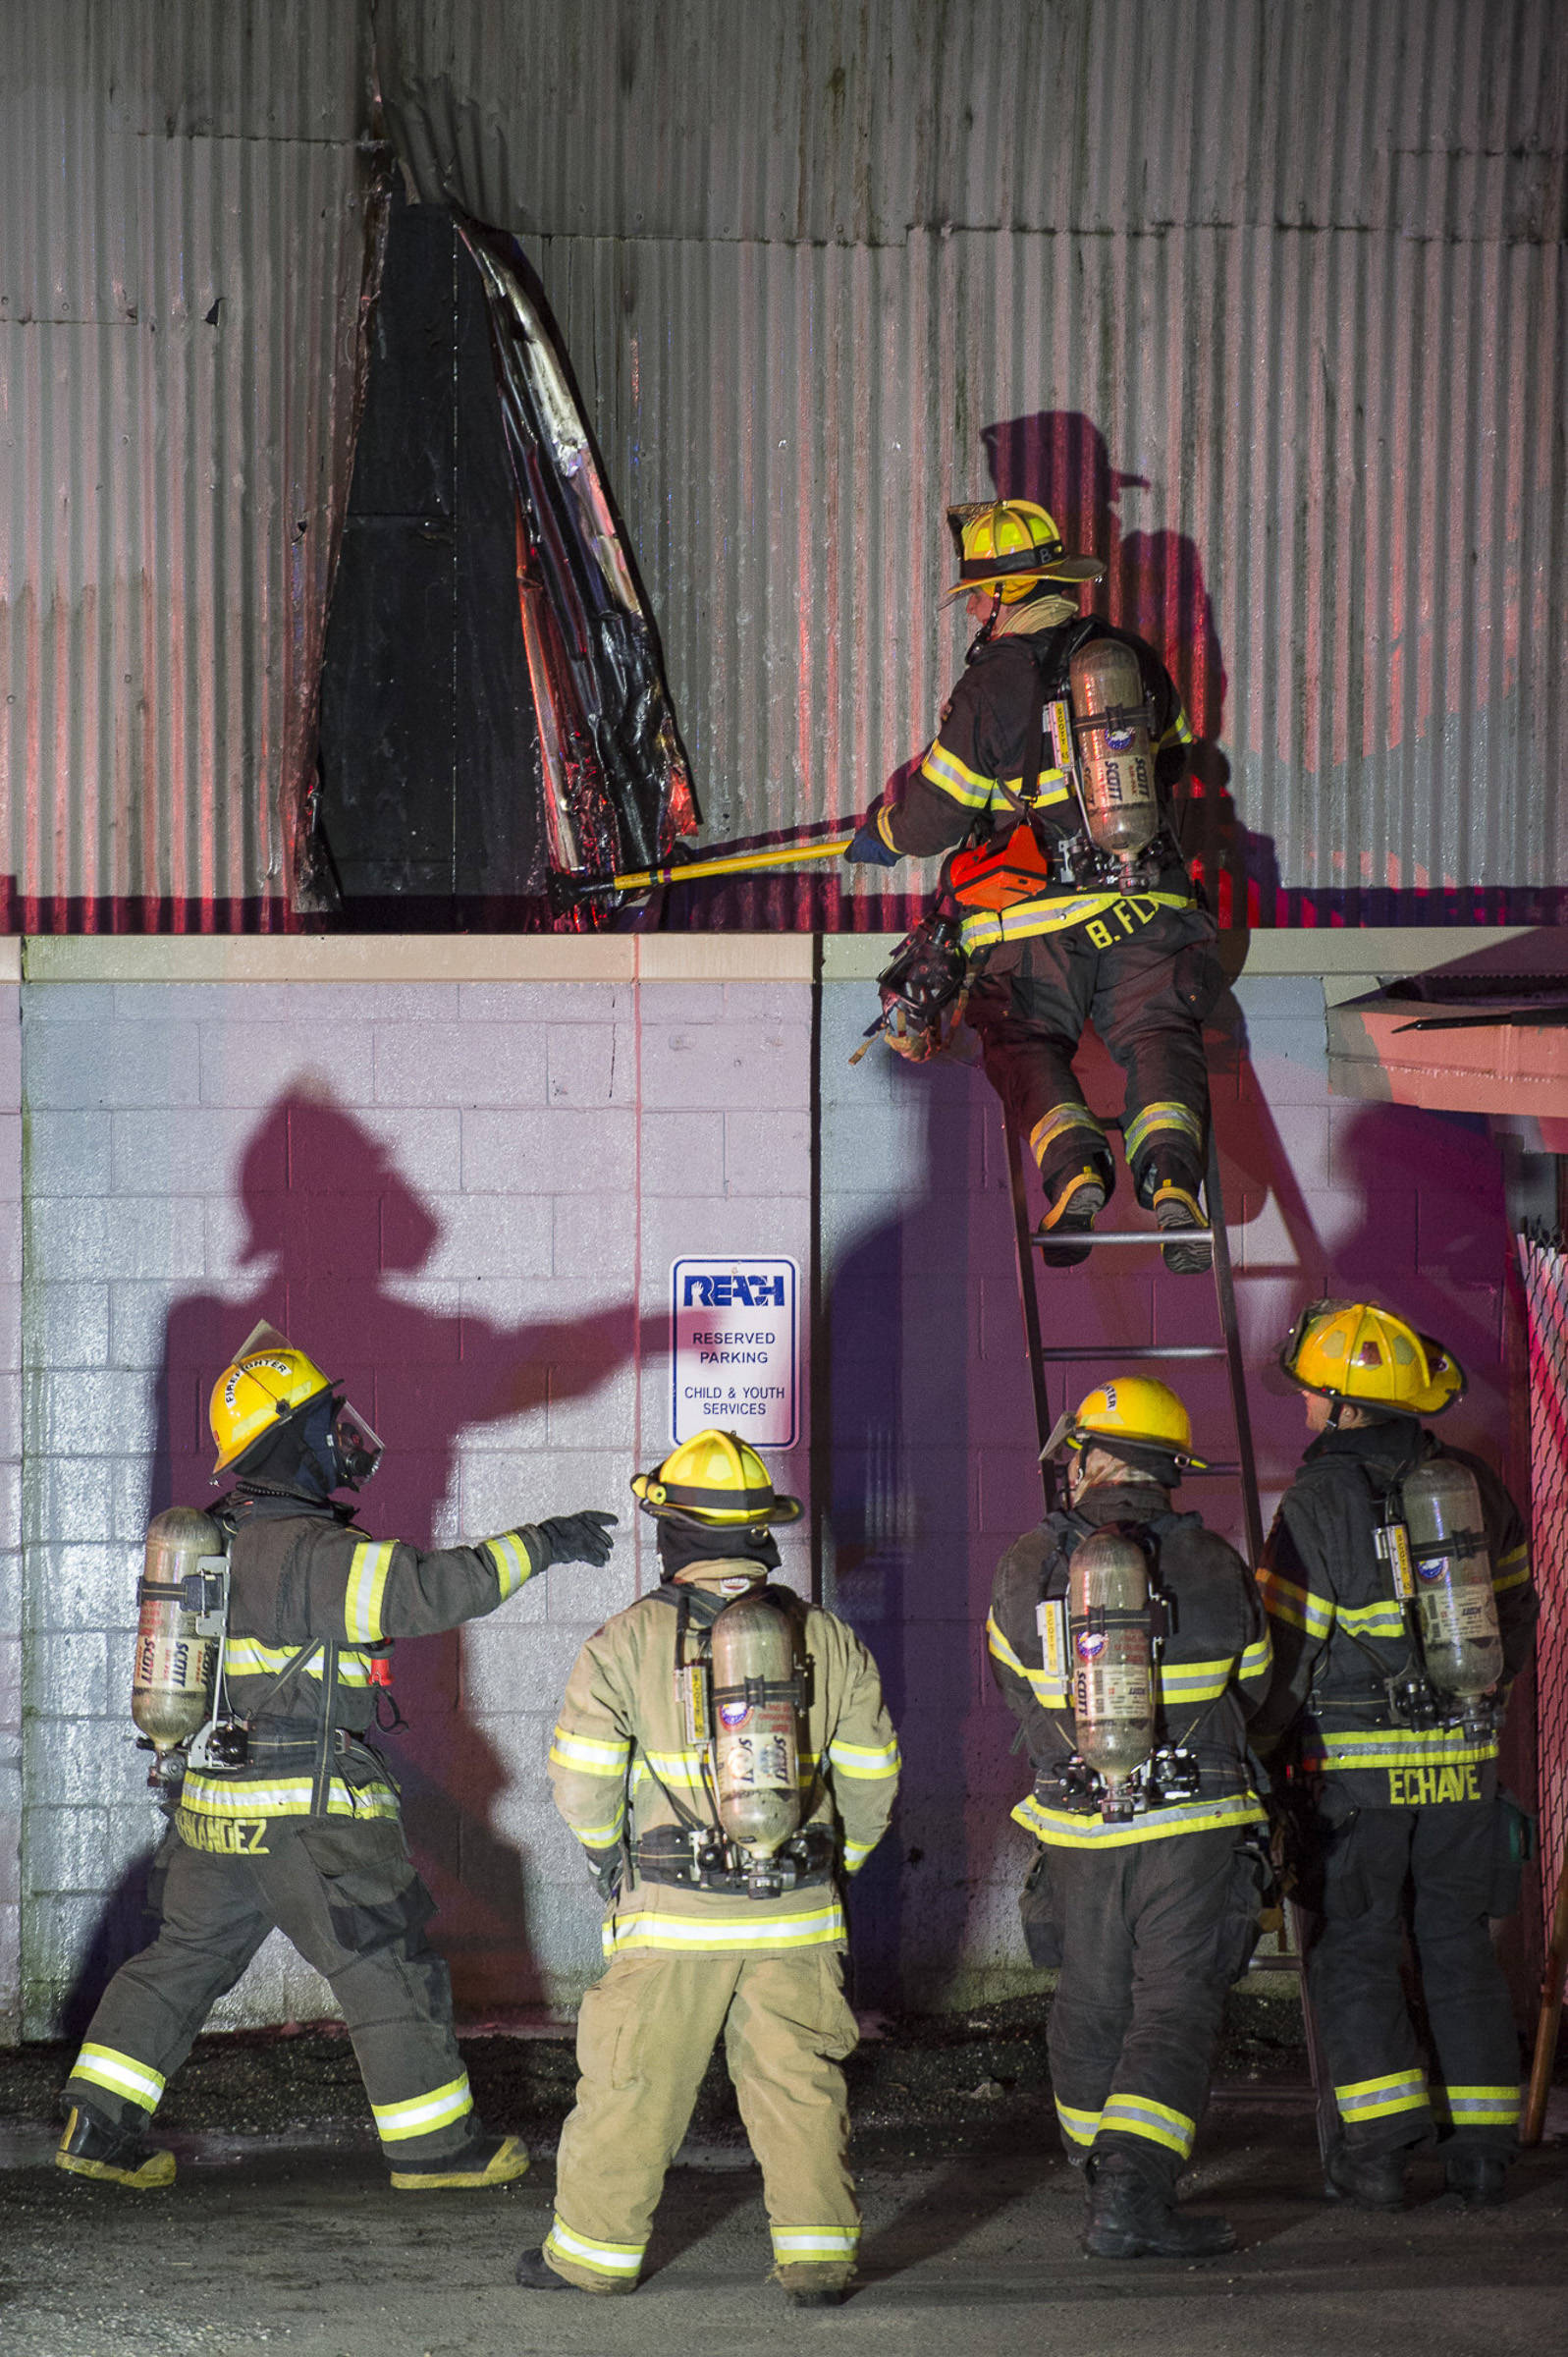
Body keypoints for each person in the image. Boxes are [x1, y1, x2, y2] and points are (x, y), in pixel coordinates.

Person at [56, 1322, 617, 2192]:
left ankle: (95, 2127)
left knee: (180, 1962)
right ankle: (434, 2150)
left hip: (216, 1811)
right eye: (326, 1421)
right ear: (291, 1438)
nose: (341, 1436)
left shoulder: (220, 1537)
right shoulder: (311, 1552)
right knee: (383, 1962)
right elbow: (432, 1590)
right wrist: (546, 1540)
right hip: (305, 1815)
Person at [514, 1429, 899, 2307]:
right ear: (762, 1531)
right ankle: (817, 2262)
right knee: (800, 2087)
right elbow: (873, 1776)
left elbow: (581, 1782)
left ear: (671, 1531)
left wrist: (608, 1861)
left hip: (671, 1916)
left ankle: (592, 2259)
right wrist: (835, 1868)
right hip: (796, 1912)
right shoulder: (826, 1637)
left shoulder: (625, 1641)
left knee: (632, 2085)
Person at [846, 497, 1220, 1272]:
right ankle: (1171, 1178)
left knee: (1021, 1037)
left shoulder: (993, 683)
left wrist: (880, 834)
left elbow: (932, 819)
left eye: (977, 595)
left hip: (1037, 922)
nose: (973, 611)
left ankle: (1076, 1167)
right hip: (1147, 902)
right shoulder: (1129, 659)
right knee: (1158, 1035)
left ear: (1006, 594)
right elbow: (1176, 761)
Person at [1257, 1300, 1538, 2210]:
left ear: (1347, 1406)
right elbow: (1517, 1610)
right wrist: (1475, 1699)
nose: (1304, 1403)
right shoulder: (1472, 1484)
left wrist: (1260, 1749)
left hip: (1355, 1780)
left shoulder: (1315, 1500)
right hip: (1463, 1767)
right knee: (1457, 1943)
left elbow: (1285, 1652)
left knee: (1355, 1946)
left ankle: (1377, 2156)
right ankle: (1484, 2154)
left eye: (1314, 1391)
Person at [987, 1378, 1272, 2257]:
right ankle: (1129, 2194)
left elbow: (1011, 1690)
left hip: (1077, 1826)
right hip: (1191, 1822)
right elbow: (1255, 1685)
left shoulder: (1023, 1562)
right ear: (1165, 1469)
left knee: (1090, 1993)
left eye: (1079, 1453)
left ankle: (1093, 2164)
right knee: (1173, 2003)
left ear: (1097, 1459)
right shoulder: (1214, 1562)